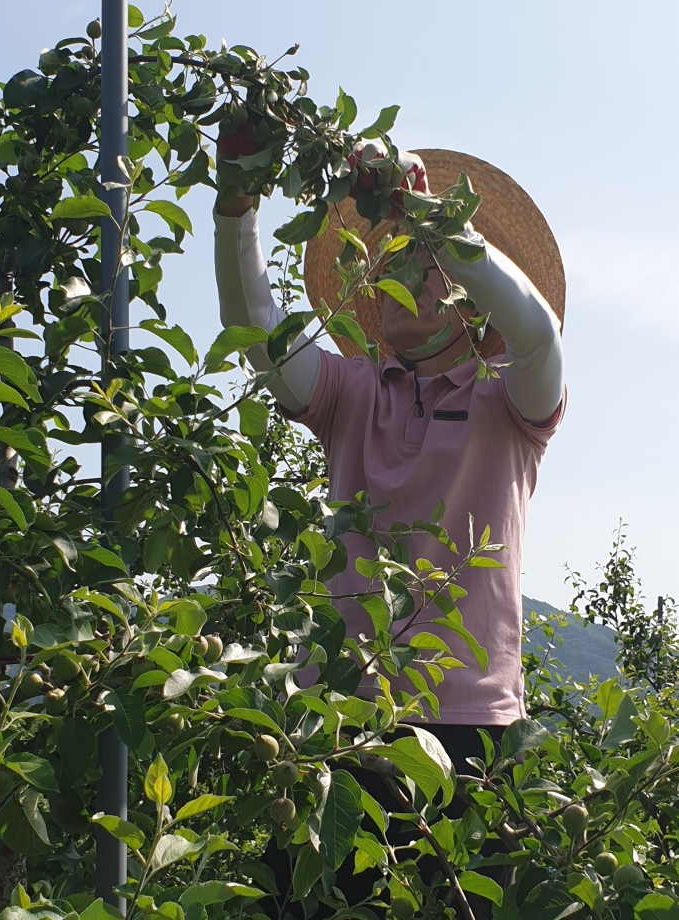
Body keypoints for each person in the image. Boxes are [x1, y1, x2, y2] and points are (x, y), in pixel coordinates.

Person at [213, 145, 565, 919]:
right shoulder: (351, 391)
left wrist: (435, 223)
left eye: (421, 259)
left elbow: (537, 335)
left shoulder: (508, 400)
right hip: (339, 714)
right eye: (390, 258)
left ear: (467, 291)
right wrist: (234, 207)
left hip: (467, 723)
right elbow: (261, 335)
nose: (399, 270)